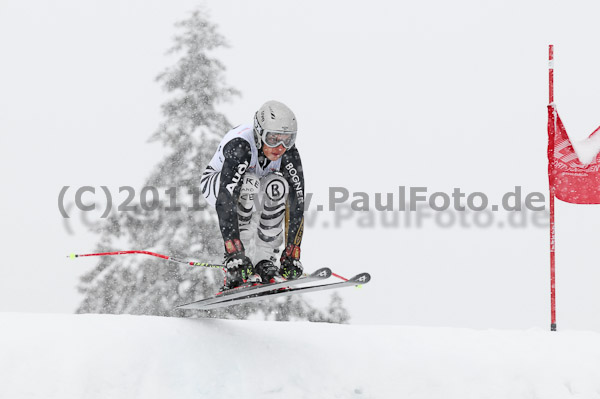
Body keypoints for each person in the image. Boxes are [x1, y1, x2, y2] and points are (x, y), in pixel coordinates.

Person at [201, 101, 305, 290]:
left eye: (287, 140)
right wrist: (234, 253)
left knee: (278, 186)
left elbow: (297, 203)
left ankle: (263, 261)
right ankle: (242, 261)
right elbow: (225, 200)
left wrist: (292, 253)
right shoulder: (241, 146)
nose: (280, 147)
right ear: (259, 132)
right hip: (217, 186)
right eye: (273, 139)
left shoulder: (288, 154)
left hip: (256, 186)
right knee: (249, 183)